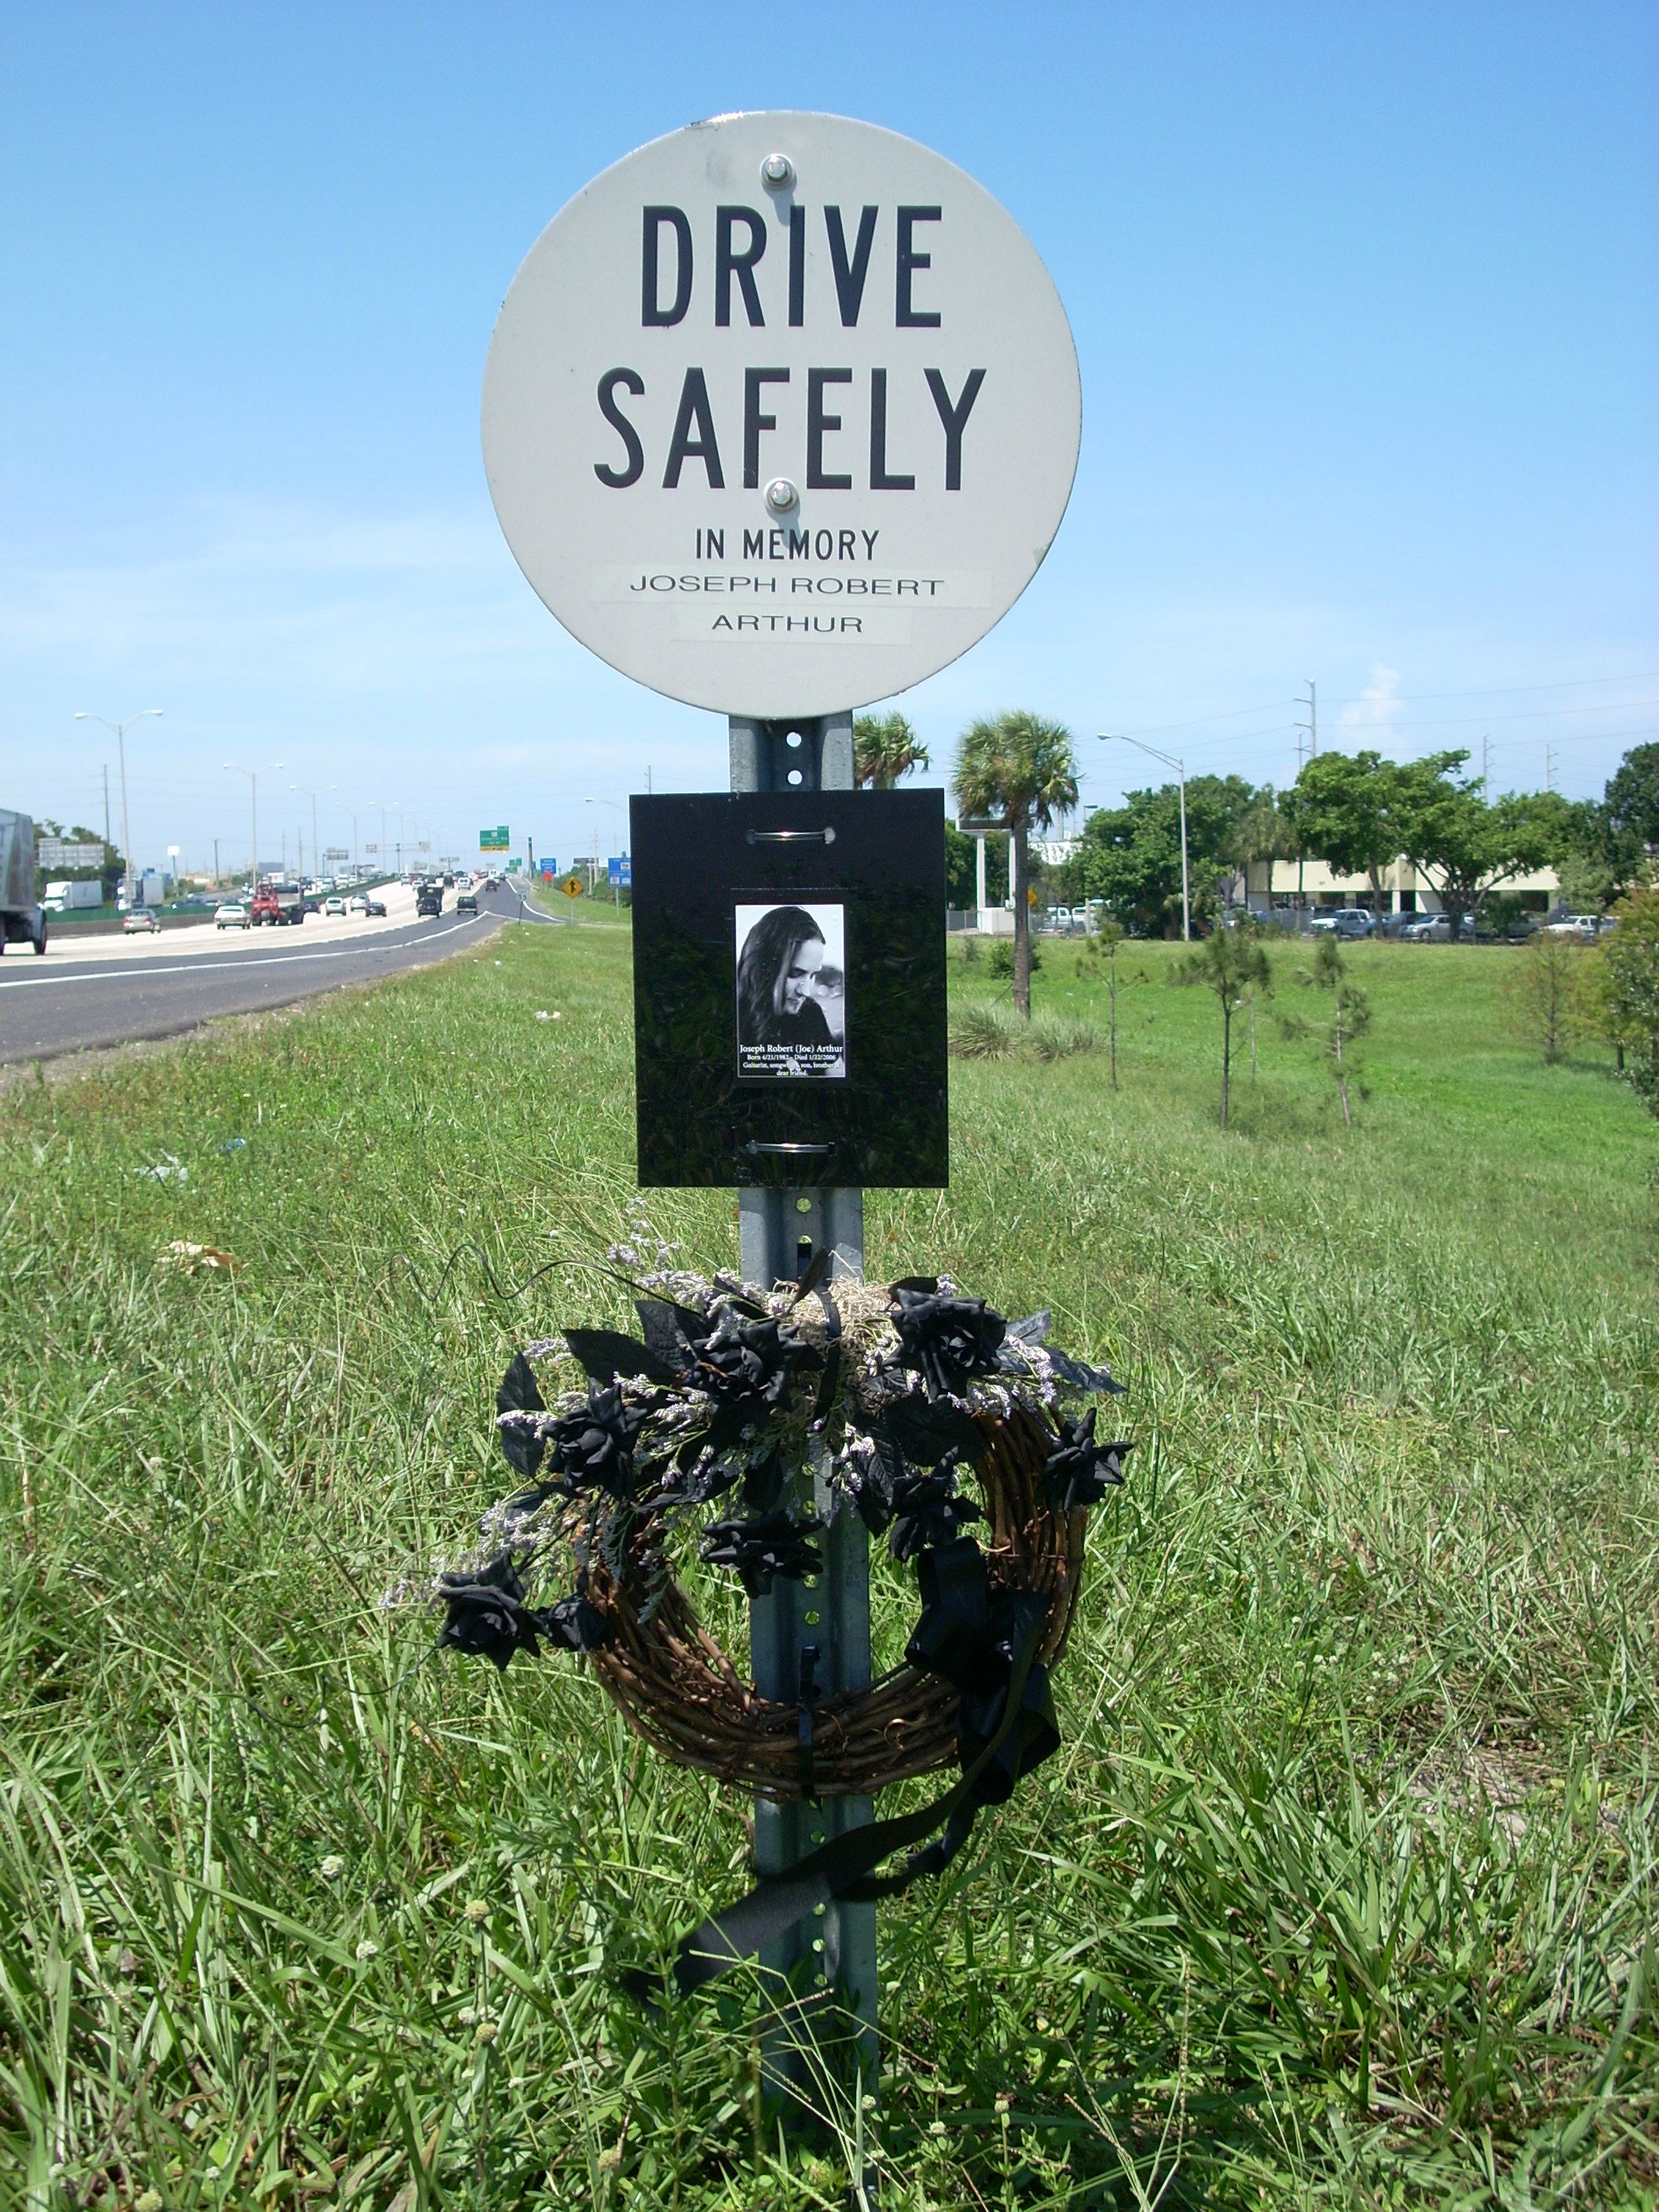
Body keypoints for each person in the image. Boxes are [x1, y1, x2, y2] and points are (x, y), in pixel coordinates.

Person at [737, 905, 843, 1075]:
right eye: (795, 973)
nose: (806, 992)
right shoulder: (735, 1023)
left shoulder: (810, 1012)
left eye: (812, 975)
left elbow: (838, 1074)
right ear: (764, 970)